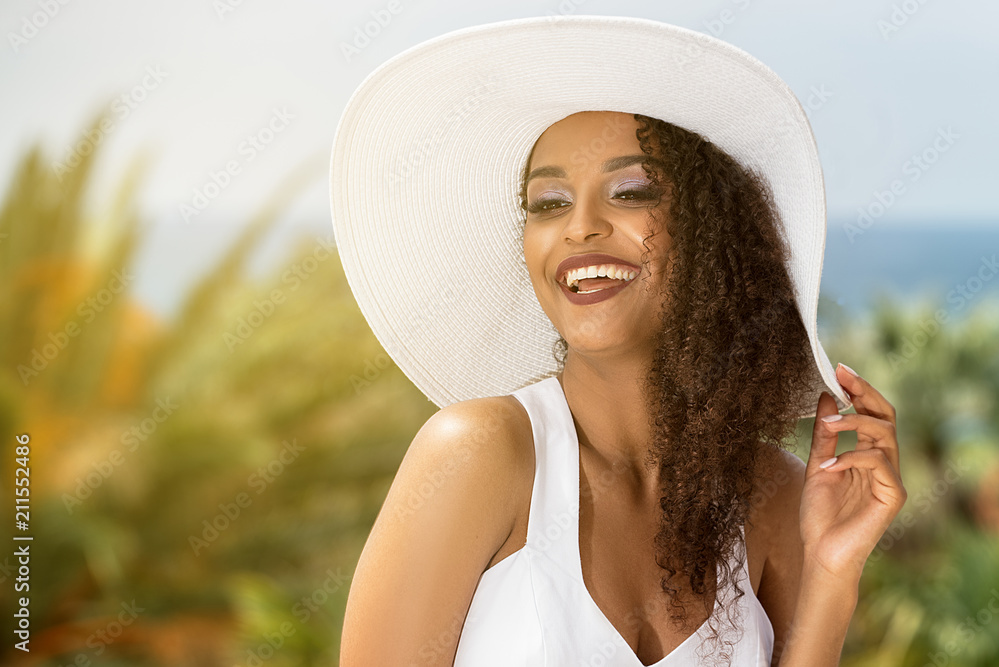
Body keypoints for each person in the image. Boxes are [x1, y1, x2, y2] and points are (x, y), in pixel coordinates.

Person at [330, 16, 906, 667]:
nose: (579, 227)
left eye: (630, 190)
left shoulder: (773, 495)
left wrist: (833, 572)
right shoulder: (480, 454)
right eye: (547, 202)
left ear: (712, 232)